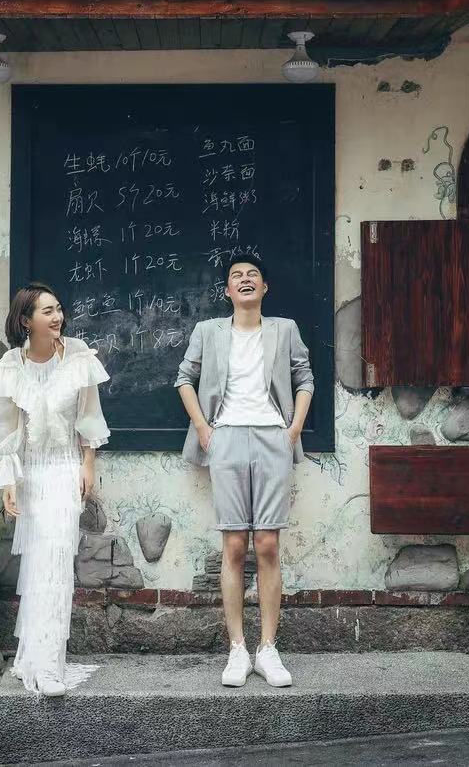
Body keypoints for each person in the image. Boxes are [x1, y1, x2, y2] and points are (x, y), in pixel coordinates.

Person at [175, 254, 314, 688]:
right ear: (227, 291)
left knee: (268, 544)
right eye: (237, 275)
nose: (245, 279)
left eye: (253, 274)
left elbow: (305, 378)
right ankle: (237, 648)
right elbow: (184, 378)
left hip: (274, 437)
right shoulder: (208, 331)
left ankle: (268, 649)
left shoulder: (284, 329)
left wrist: (293, 430)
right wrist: (204, 428)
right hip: (226, 437)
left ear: (264, 287)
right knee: (234, 544)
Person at [0, 282, 110, 696]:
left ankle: (51, 666)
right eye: (47, 311)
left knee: (56, 564)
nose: (57, 317)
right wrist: (9, 482)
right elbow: (6, 431)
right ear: (26, 320)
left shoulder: (78, 355)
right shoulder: (11, 365)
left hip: (64, 470)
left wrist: (88, 464)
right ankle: (33, 658)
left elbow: (89, 417)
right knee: (38, 567)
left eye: (58, 309)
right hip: (30, 474)